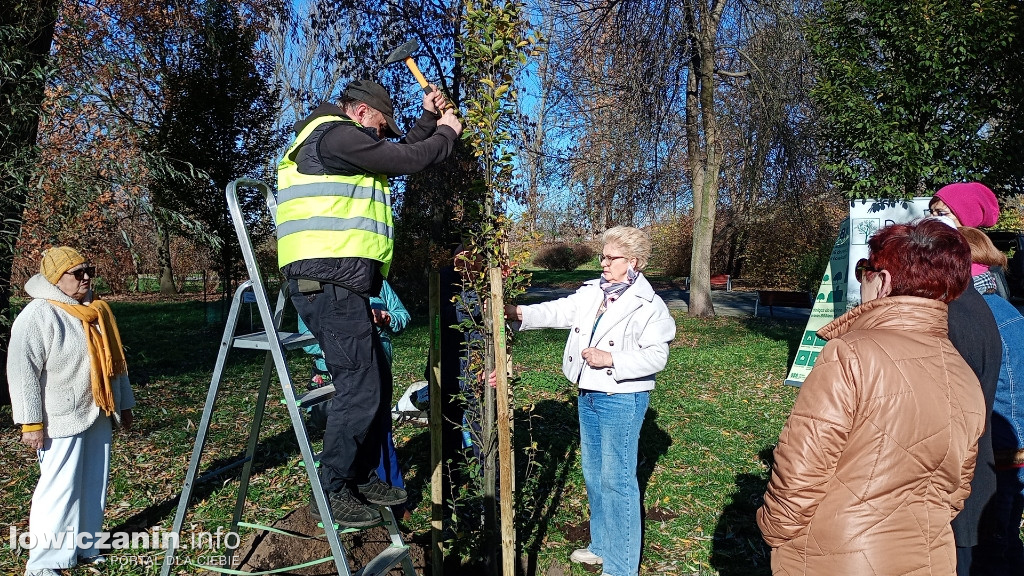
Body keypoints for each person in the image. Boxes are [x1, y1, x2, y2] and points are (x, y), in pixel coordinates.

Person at [277, 79, 462, 528]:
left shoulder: (346, 146)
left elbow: (399, 150)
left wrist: (428, 119)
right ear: (360, 113)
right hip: (326, 282)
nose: (382, 136)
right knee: (359, 387)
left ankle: (359, 475)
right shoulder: (334, 135)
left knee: (375, 381)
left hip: (340, 283)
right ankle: (335, 485)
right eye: (379, 126)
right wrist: (449, 131)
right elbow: (410, 157)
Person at [757, 219, 987, 575]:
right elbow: (956, 486)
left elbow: (801, 467)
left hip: (838, 555)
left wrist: (775, 530)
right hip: (931, 556)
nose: (861, 277)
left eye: (864, 269)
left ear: (884, 281)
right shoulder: (962, 371)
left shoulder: (849, 354)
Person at [505, 226, 676, 576]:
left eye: (611, 258)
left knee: (618, 480)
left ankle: (621, 567)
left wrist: (610, 359)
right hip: (588, 393)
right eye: (603, 255)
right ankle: (601, 546)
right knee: (594, 475)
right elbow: (559, 311)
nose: (603, 263)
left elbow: (658, 356)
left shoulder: (649, 306)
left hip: (621, 398)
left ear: (634, 263)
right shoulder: (593, 293)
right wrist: (518, 312)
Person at [7, 247, 135, 576]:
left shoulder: (96, 311)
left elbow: (115, 365)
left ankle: (85, 547)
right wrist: (30, 423)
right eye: (77, 273)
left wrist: (124, 404)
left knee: (94, 481)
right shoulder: (37, 315)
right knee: (59, 489)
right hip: (59, 418)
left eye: (88, 269)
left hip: (98, 412)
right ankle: (44, 564)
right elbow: (22, 373)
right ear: (55, 279)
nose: (86, 277)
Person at [928, 182, 1003, 575]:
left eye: (943, 212)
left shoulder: (970, 302)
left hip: (971, 467)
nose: (933, 218)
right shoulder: (964, 298)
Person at [296, 280, 412, 518]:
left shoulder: (377, 284)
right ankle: (339, 490)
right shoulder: (320, 287)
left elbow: (403, 316)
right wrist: (346, 342)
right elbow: (307, 339)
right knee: (349, 430)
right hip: (340, 377)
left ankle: (390, 500)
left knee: (381, 436)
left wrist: (385, 319)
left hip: (377, 374)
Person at [959, 227, 1024, 574]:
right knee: (1006, 541)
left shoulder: (981, 315)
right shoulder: (1001, 307)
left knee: (992, 550)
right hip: (1010, 453)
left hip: (997, 455)